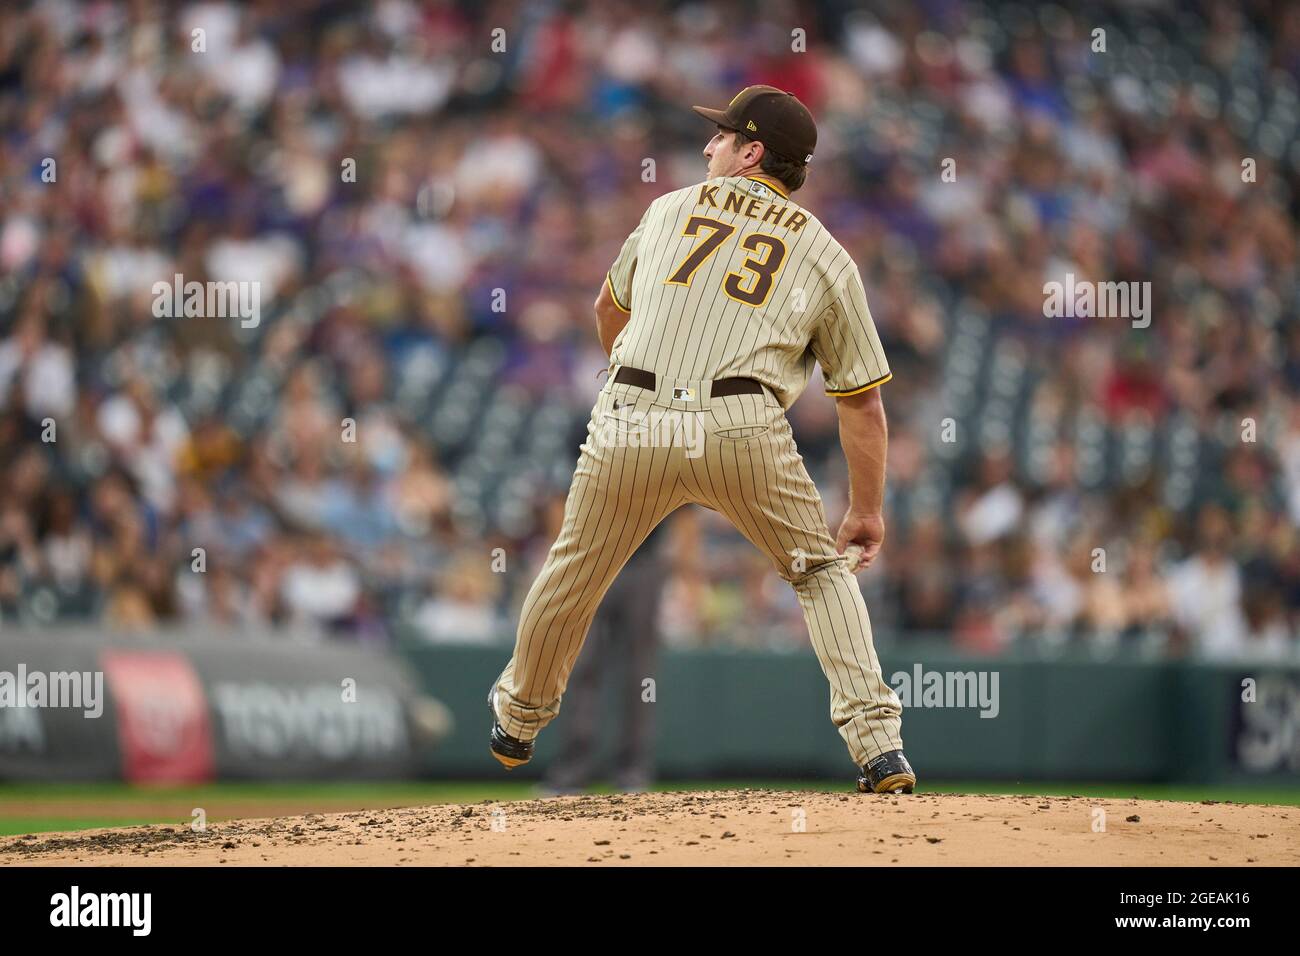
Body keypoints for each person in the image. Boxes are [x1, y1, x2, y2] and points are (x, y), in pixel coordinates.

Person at [488, 85, 915, 794]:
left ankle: (518, 720)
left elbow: (606, 309)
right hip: (740, 422)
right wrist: (866, 510)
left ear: (753, 152)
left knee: (576, 568)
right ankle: (879, 749)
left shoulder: (667, 208)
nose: (708, 144)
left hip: (630, 414)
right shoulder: (826, 253)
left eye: (722, 136)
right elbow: (861, 401)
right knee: (818, 572)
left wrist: (635, 380)